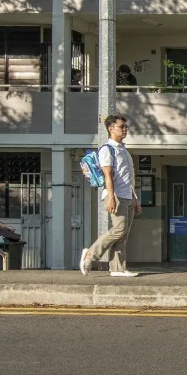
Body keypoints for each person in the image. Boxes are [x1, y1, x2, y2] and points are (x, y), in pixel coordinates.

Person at [81, 114, 140, 277]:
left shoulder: (124, 150)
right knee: (119, 229)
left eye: (125, 126)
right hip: (116, 195)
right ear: (110, 128)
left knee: (123, 234)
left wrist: (135, 199)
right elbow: (108, 175)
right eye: (122, 126)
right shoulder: (108, 149)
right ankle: (90, 255)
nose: (125, 129)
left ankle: (118, 268)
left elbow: (129, 177)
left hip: (127, 195)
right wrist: (111, 197)